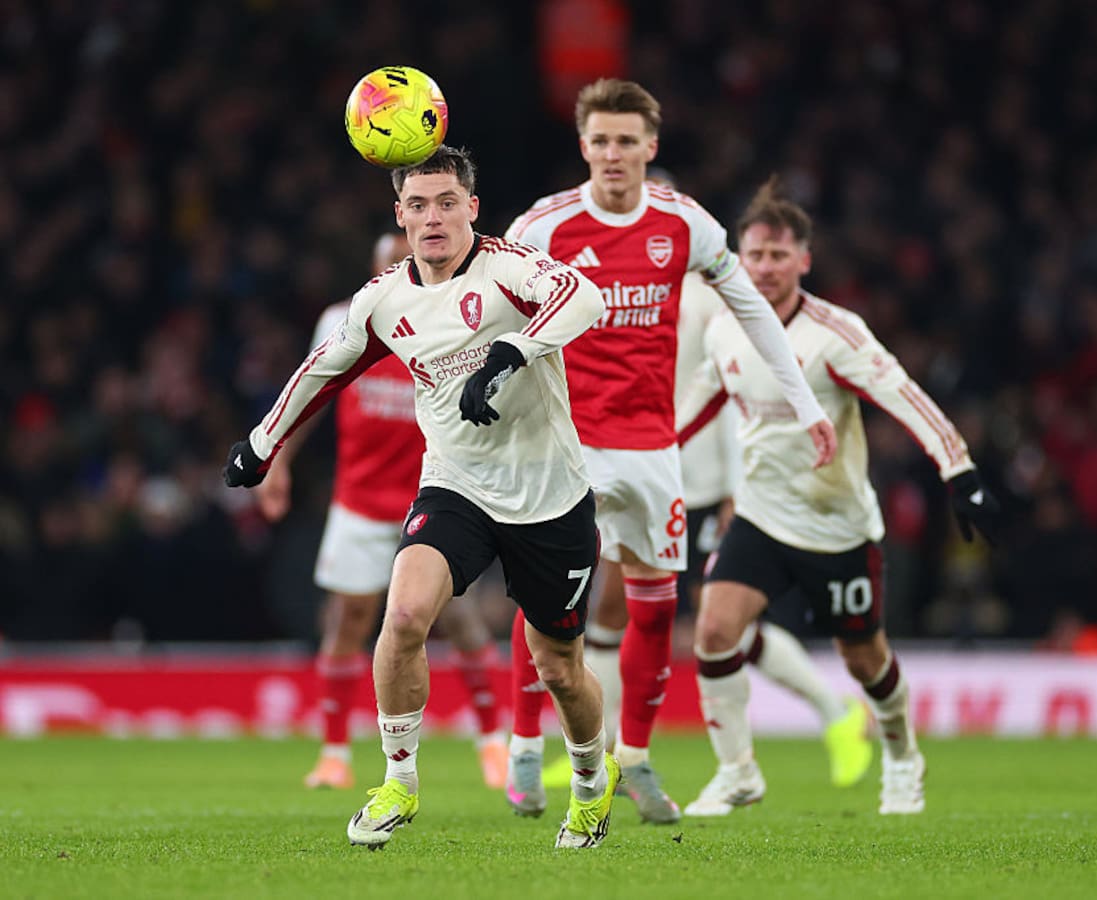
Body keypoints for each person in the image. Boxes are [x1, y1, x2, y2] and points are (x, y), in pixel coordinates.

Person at [224, 146, 619, 850]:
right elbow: (323, 369)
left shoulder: (509, 267)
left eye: (446, 202)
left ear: (472, 207)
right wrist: (262, 443)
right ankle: (397, 782)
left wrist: (512, 352)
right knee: (402, 614)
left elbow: (585, 296)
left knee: (559, 667)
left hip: (548, 496)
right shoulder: (384, 300)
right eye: (417, 205)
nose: (432, 217)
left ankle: (592, 782)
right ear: (398, 215)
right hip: (455, 485)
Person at [503, 78, 837, 824]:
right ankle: (525, 746)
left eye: (628, 141)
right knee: (549, 606)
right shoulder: (543, 228)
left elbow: (755, 313)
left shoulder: (685, 224)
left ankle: (637, 759)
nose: (614, 154)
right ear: (582, 145)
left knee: (655, 614)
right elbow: (495, 316)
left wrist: (808, 404)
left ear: (651, 147)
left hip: (655, 449)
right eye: (601, 141)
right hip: (569, 448)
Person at [677, 177, 1001, 816]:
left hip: (838, 525)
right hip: (762, 515)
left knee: (864, 658)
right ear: (738, 257)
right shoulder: (724, 329)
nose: (764, 268)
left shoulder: (837, 333)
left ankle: (904, 755)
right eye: (754, 255)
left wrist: (958, 471)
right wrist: (632, 460)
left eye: (778, 256)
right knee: (714, 630)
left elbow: (906, 397)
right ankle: (737, 771)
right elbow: (687, 412)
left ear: (804, 260)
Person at [255, 232, 508, 792]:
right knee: (347, 621)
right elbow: (312, 394)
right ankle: (334, 754)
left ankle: (494, 744)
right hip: (361, 500)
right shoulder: (345, 321)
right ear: (373, 272)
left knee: (459, 620)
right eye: (389, 262)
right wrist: (277, 460)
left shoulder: (459, 317)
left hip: (436, 492)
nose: (401, 268)